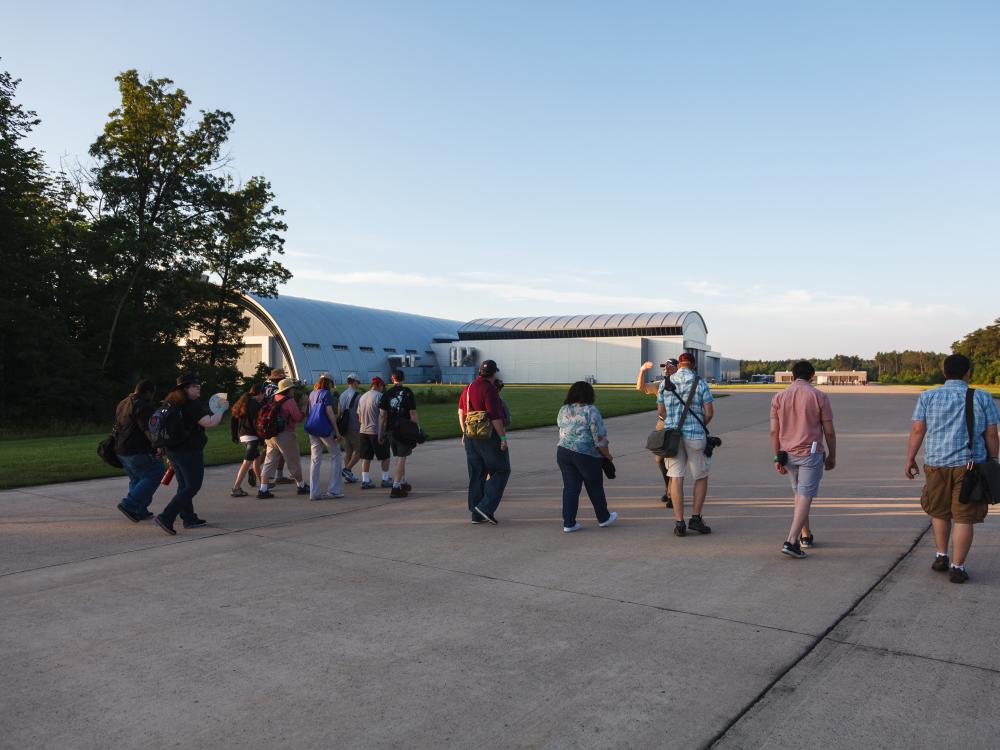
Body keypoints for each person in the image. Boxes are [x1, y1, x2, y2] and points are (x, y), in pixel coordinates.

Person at [906, 354, 999, 583]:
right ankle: (958, 567)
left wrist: (910, 458)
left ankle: (941, 555)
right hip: (971, 465)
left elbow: (918, 429)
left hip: (936, 463)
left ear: (945, 372)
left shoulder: (928, 396)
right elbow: (991, 433)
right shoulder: (983, 397)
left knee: (939, 511)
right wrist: (994, 458)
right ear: (968, 372)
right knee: (964, 517)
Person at [770, 361, 837, 558]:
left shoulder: (779, 397)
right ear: (812, 376)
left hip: (787, 454)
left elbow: (774, 431)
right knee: (805, 495)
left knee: (800, 495)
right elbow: (829, 432)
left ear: (792, 376)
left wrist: (777, 456)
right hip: (810, 453)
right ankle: (791, 541)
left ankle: (805, 535)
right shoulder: (819, 396)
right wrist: (833, 455)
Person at [153, 374, 228, 535]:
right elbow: (209, 422)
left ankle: (188, 517)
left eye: (199, 385)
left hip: (173, 450)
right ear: (185, 388)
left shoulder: (171, 402)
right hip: (189, 450)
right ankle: (166, 517)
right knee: (193, 486)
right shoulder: (190, 404)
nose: (198, 388)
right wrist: (221, 409)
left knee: (183, 485)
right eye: (195, 386)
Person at [658, 352, 714, 537]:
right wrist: (699, 425)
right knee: (700, 476)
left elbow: (661, 411)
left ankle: (679, 522)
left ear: (679, 364)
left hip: (672, 437)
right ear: (694, 365)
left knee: (675, 477)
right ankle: (696, 518)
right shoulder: (700, 382)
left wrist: (673, 422)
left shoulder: (665, 383)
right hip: (695, 435)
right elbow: (709, 412)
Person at [556, 381, 618, 533]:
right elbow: (599, 436)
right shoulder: (591, 410)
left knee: (570, 487)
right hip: (585, 454)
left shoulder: (564, 409)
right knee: (594, 486)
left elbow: (560, 426)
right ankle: (603, 518)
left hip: (563, 451)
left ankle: (569, 523)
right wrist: (607, 455)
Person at [458, 360, 510, 525]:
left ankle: (476, 513)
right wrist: (502, 438)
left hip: (470, 436)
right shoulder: (490, 389)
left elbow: (461, 412)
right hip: (488, 437)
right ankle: (485, 507)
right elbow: (495, 416)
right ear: (494, 373)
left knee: (476, 475)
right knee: (501, 470)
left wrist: (464, 432)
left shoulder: (468, 387)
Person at [114, 379, 164, 522]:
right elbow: (147, 429)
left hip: (121, 449)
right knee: (156, 473)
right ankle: (129, 504)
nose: (153, 396)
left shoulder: (123, 402)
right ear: (148, 392)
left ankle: (140, 510)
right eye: (152, 393)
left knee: (136, 479)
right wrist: (158, 445)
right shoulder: (142, 406)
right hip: (136, 449)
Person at [636, 358, 679, 507]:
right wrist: (642, 370)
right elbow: (640, 387)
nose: (666, 368)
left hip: (679, 426)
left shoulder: (682, 383)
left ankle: (673, 495)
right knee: (660, 460)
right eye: (664, 366)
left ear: (678, 368)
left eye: (670, 366)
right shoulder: (660, 385)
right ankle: (668, 488)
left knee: (674, 460)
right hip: (663, 426)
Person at [257, 378, 309, 498]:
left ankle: (263, 489)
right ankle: (301, 486)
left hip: (270, 435)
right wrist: (304, 406)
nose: (294, 391)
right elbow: (298, 418)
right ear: (288, 390)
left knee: (269, 462)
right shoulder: (289, 401)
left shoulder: (273, 399)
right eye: (292, 388)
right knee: (293, 461)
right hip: (285, 435)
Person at [379, 369, 421, 498]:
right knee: (401, 458)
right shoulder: (407, 392)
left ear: (392, 379)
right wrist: (417, 429)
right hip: (404, 429)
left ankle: (402, 482)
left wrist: (381, 432)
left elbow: (382, 416)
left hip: (391, 429)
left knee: (399, 457)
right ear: (403, 378)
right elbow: (412, 413)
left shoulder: (387, 393)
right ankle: (396, 487)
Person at [306, 374, 345, 500]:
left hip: (312, 428)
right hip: (324, 429)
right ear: (329, 383)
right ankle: (334, 489)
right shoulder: (326, 394)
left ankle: (314, 492)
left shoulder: (312, 393)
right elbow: (330, 413)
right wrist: (337, 431)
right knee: (336, 455)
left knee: (315, 459)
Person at [229, 383, 265, 497]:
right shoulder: (255, 404)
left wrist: (234, 435)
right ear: (259, 393)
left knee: (256, 460)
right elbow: (257, 423)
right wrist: (262, 437)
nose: (264, 396)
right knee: (247, 462)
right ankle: (236, 487)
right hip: (252, 436)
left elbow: (233, 419)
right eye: (263, 394)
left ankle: (263, 483)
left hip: (243, 435)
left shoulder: (243, 402)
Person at [357, 377, 392, 489]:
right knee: (385, 456)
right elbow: (383, 415)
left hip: (363, 430)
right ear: (377, 385)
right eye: (382, 386)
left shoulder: (363, 397)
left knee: (366, 457)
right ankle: (385, 479)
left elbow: (359, 416)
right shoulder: (380, 397)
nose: (383, 388)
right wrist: (382, 432)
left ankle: (365, 480)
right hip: (376, 431)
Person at [261, 367, 292, 484]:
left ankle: (256, 468)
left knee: (268, 449)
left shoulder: (265, 388)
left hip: (265, 421)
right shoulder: (277, 391)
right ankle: (277, 475)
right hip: (277, 422)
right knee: (280, 449)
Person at [339, 374, 363, 483]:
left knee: (348, 451)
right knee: (359, 450)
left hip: (344, 426)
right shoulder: (358, 395)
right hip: (355, 425)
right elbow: (360, 413)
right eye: (358, 382)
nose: (358, 384)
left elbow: (339, 411)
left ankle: (349, 475)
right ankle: (347, 469)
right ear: (354, 382)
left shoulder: (342, 394)